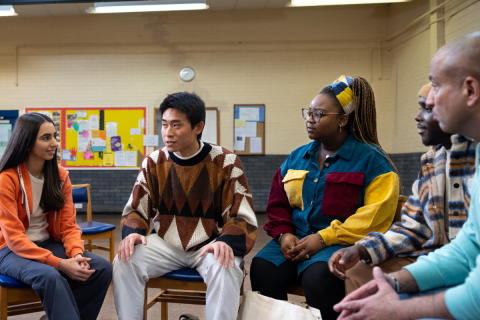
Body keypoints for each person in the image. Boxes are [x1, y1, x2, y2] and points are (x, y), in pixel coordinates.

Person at [334, 31, 480, 320]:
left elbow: (475, 295)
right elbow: (467, 250)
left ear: (470, 90)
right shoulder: (443, 158)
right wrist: (394, 281)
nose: (430, 101)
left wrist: (398, 309)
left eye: (436, 86)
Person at [250, 76, 400, 320]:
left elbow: (375, 218)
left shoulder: (373, 161)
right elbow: (278, 203)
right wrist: (284, 234)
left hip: (337, 244)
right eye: (308, 113)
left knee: (319, 277)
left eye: (318, 114)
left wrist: (322, 238)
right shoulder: (297, 157)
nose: (310, 120)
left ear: (342, 120)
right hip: (294, 239)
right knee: (262, 268)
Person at [113, 92, 258, 320]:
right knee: (125, 258)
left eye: (176, 125)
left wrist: (226, 241)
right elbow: (136, 208)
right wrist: (132, 233)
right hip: (164, 244)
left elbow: (241, 216)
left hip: (211, 244)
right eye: (164, 124)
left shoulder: (227, 161)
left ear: (198, 127)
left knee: (227, 265)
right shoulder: (154, 161)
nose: (167, 133)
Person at [328, 83, 475, 294]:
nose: (417, 116)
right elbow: (414, 227)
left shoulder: (474, 159)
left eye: (427, 108)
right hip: (433, 257)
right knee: (358, 271)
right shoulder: (432, 162)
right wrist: (362, 248)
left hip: (466, 265)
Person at [0, 113, 112, 320]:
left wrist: (77, 255)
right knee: (50, 276)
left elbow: (69, 226)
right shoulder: (7, 179)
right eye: (46, 138)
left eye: (54, 136)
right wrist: (60, 264)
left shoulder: (60, 177)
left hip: (47, 243)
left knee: (102, 268)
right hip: (8, 249)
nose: (54, 143)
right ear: (26, 143)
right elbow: (14, 238)